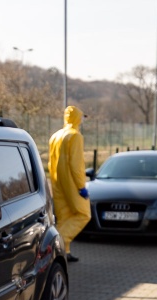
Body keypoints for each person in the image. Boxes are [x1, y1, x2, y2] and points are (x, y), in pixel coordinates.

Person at [48, 105, 91, 263]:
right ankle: (55, 243)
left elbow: (51, 163)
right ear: (77, 118)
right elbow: (76, 165)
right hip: (72, 182)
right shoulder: (75, 136)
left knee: (65, 216)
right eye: (81, 117)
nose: (82, 120)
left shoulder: (55, 136)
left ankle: (64, 251)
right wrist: (81, 186)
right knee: (83, 214)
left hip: (57, 181)